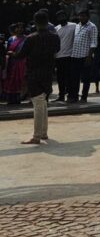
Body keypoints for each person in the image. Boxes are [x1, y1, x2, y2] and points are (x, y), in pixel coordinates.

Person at [17, 10, 60, 145]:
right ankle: (43, 133)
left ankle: (36, 136)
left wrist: (11, 53)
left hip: (34, 73)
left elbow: (21, 55)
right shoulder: (55, 37)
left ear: (35, 23)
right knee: (43, 103)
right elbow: (57, 50)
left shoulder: (31, 38)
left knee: (38, 104)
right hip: (48, 73)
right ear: (47, 22)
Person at [72, 8, 99, 103]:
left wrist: (89, 57)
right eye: (80, 15)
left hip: (85, 56)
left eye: (83, 16)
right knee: (75, 78)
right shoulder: (77, 26)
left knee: (86, 78)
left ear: (88, 17)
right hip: (75, 55)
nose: (81, 17)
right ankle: (74, 96)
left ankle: (84, 97)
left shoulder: (92, 27)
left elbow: (93, 43)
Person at [2, 23, 27, 106]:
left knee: (18, 80)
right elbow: (7, 50)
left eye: (21, 28)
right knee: (10, 80)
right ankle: (10, 99)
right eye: (17, 28)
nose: (19, 29)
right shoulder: (11, 39)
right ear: (15, 29)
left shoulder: (26, 39)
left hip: (21, 62)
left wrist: (15, 54)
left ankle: (17, 99)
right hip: (11, 62)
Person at [54, 11, 77, 103]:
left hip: (69, 55)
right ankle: (61, 95)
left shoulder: (74, 26)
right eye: (59, 16)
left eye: (63, 15)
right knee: (60, 78)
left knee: (69, 78)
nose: (61, 18)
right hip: (58, 56)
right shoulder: (56, 28)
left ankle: (71, 96)